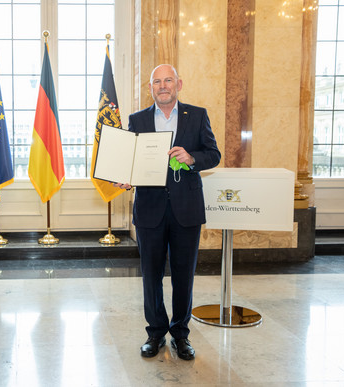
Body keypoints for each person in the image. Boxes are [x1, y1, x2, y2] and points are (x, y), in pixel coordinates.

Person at [114, 64, 220, 360]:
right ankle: (156, 333)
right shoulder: (137, 120)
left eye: (168, 80)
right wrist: (125, 176)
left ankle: (181, 334)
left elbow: (214, 154)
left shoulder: (197, 115)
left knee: (184, 275)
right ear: (151, 88)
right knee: (151, 275)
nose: (163, 86)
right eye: (157, 81)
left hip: (186, 208)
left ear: (179, 84)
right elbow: (129, 161)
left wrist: (192, 157)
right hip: (149, 209)